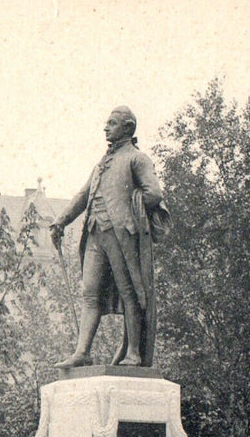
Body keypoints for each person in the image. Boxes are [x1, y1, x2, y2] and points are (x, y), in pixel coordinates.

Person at [51, 106, 167, 368]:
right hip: (95, 232)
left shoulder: (137, 159)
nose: (106, 127)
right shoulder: (102, 163)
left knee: (129, 292)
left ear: (127, 127)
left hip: (121, 233)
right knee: (90, 292)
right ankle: (83, 352)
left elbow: (154, 194)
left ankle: (134, 353)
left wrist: (131, 212)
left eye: (112, 123)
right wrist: (61, 221)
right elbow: (83, 195)